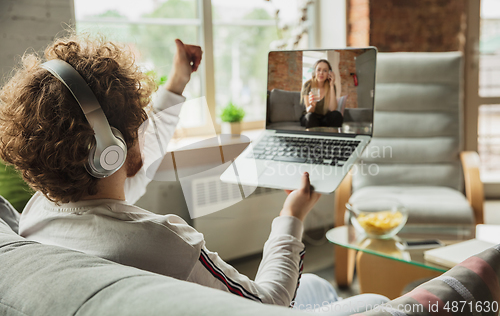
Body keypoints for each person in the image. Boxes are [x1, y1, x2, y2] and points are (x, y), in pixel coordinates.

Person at [0, 35, 387, 313]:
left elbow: (138, 163)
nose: (144, 132)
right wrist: (291, 217)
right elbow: (268, 302)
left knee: (318, 284)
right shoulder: (163, 241)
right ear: (109, 154)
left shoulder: (38, 213)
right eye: (139, 124)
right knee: (373, 302)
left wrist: (179, 81)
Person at [300, 59, 344, 129]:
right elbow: (308, 110)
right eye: (319, 70)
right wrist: (312, 105)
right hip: (310, 116)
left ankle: (332, 139)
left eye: (325, 70)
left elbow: (332, 109)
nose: (321, 73)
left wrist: (332, 85)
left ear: (329, 73)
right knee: (310, 116)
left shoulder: (331, 86)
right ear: (315, 71)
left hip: (324, 118)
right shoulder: (308, 85)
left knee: (337, 115)